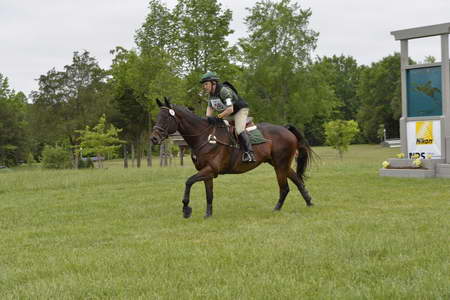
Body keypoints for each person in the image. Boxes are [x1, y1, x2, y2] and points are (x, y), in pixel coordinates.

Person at [200, 71, 256, 163]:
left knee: (239, 130)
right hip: (229, 114)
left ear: (213, 83)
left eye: (206, 84)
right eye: (204, 85)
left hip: (240, 111)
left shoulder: (224, 91)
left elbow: (230, 109)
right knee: (217, 126)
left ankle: (249, 153)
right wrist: (207, 119)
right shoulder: (211, 94)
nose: (204, 87)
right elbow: (210, 108)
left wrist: (219, 116)